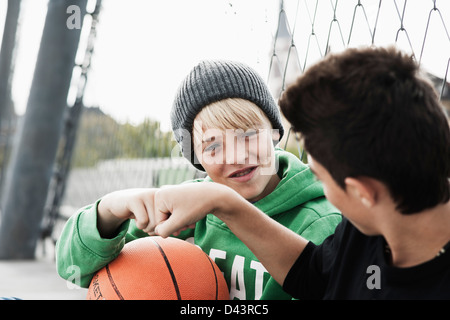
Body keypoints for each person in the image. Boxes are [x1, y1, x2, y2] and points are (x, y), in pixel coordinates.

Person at [151, 46, 450, 299]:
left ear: (363, 193)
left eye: (318, 176)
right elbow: (312, 273)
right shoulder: (370, 230)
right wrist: (222, 202)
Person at [56, 60, 341, 300]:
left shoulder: (318, 222)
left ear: (275, 133)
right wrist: (110, 209)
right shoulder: (185, 210)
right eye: (213, 146)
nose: (237, 156)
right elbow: (73, 269)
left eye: (248, 135)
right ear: (197, 159)